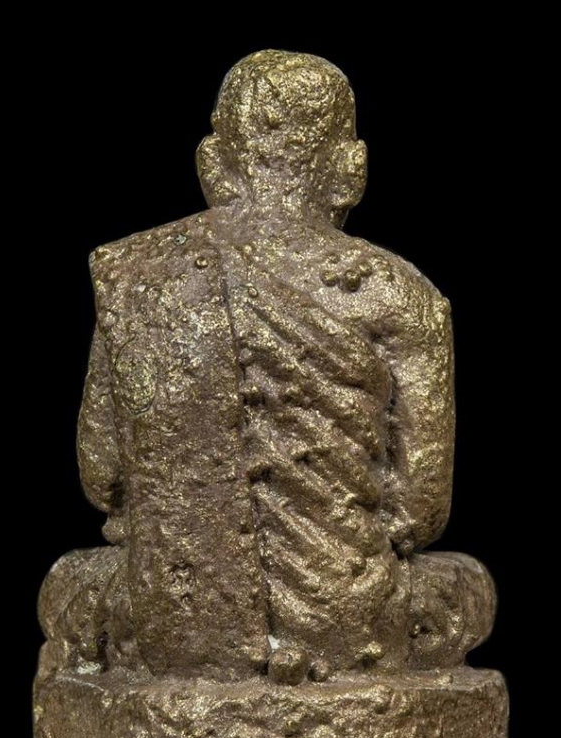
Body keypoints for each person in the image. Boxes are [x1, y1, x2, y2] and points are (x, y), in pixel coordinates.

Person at [38, 50, 495, 684]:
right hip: (353, 619)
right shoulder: (400, 295)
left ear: (211, 165)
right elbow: (420, 510)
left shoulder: (141, 280)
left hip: (169, 611)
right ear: (352, 171)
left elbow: (104, 477)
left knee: (71, 584)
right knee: (465, 588)